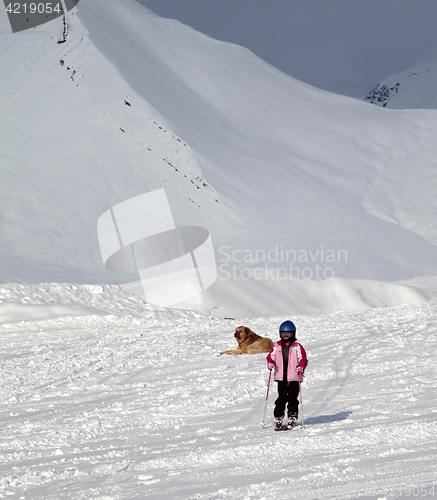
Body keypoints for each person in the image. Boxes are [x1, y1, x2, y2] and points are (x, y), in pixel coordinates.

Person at [266, 320, 308, 430]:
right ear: (280, 334)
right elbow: (271, 356)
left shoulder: (297, 347)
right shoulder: (276, 346)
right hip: (281, 376)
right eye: (283, 334)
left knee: (293, 397)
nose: (285, 336)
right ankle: (278, 416)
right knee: (282, 397)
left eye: (288, 334)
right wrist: (271, 362)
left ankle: (292, 415)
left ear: (293, 334)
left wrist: (301, 367)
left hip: (294, 376)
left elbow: (303, 359)